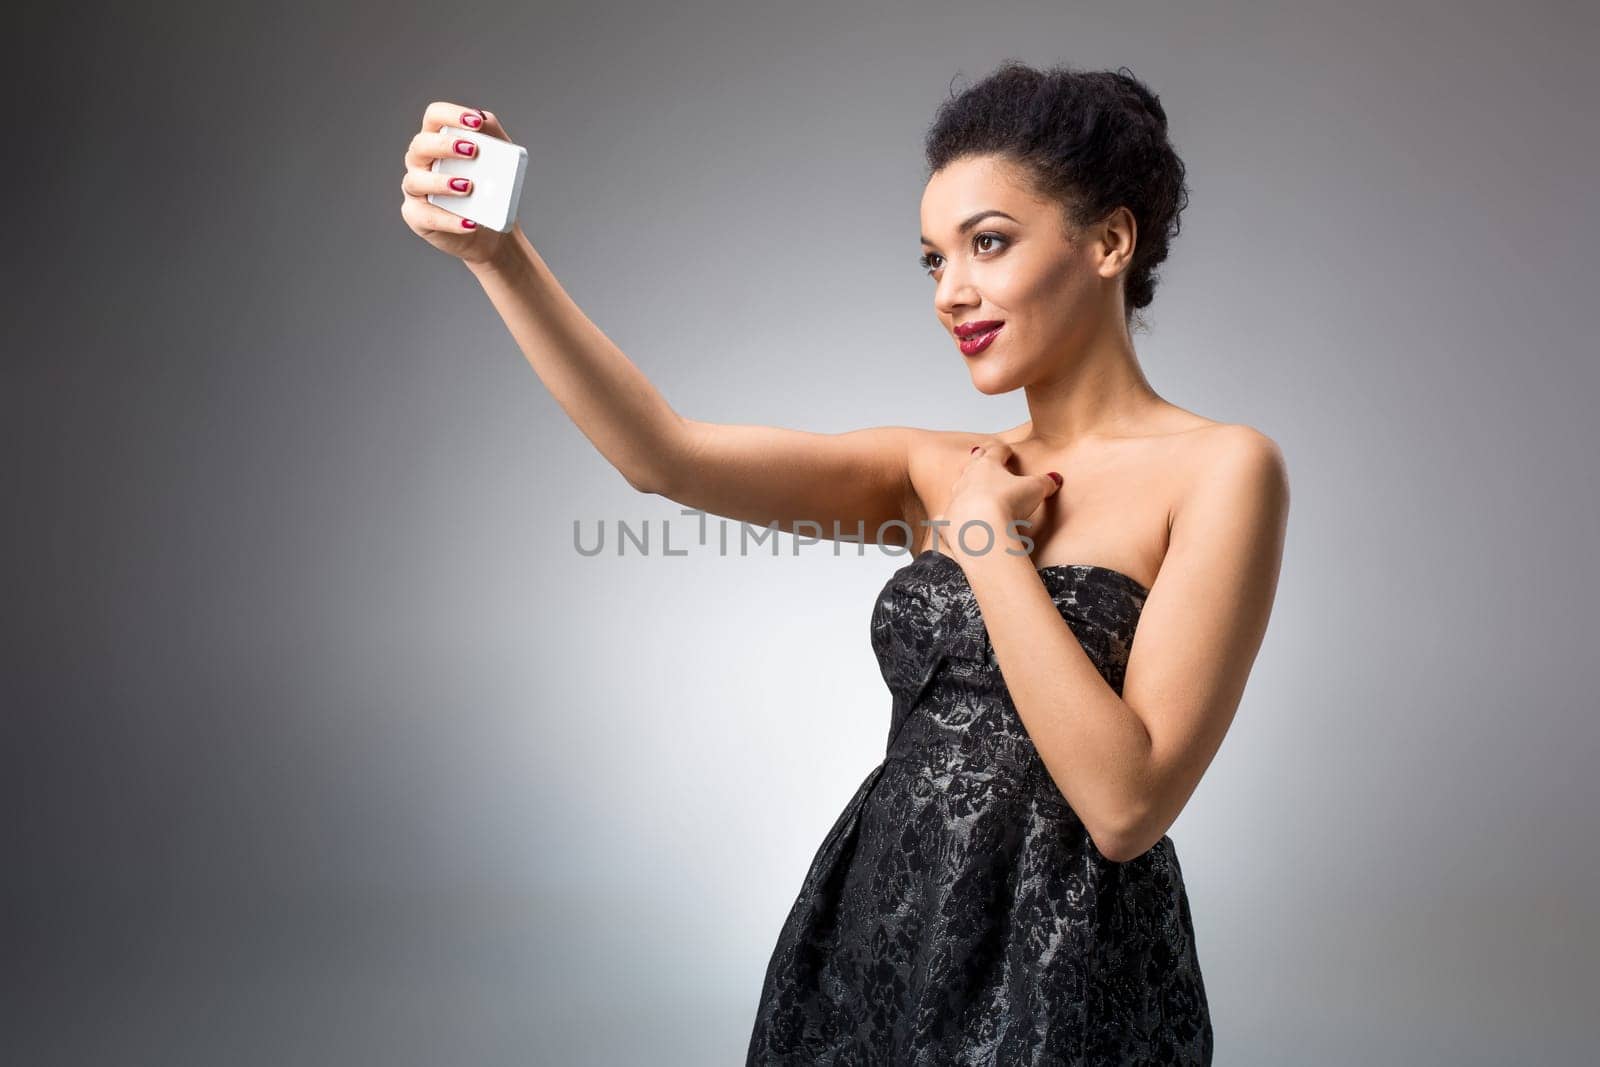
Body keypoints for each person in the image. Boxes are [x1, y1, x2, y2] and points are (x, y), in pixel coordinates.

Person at [400, 59, 1288, 1066]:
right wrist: (500, 258)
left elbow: (1127, 806)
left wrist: (989, 543)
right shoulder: (933, 466)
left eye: (987, 244)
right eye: (932, 261)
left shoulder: (1220, 469)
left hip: (1068, 958)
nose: (953, 292)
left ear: (1108, 240)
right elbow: (663, 455)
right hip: (878, 925)